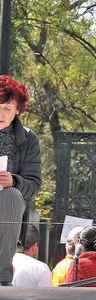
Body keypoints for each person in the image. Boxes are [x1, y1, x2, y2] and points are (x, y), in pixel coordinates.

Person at [0, 76, 41, 286]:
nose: (1, 114)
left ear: (17, 109)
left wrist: (13, 181)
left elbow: (33, 186)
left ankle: (2, 278)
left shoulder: (28, 139)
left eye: (7, 108)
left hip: (7, 206)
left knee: (12, 196)